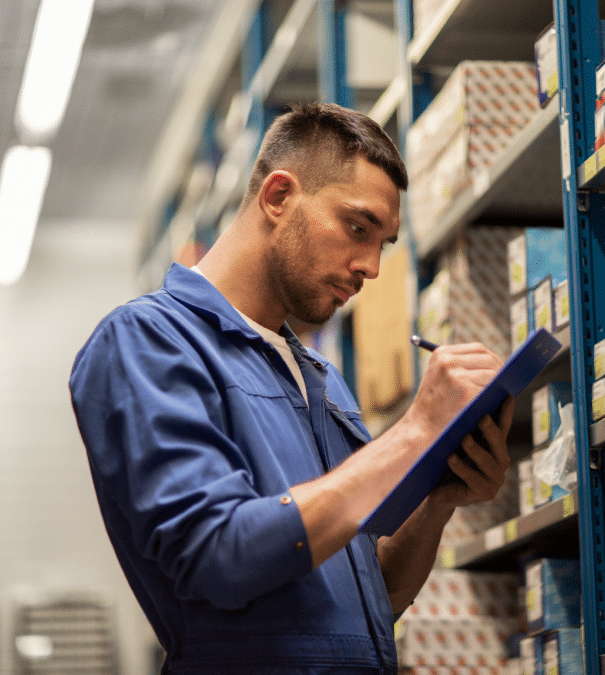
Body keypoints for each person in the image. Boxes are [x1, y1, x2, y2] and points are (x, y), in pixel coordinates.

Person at [69, 101, 514, 675]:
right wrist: (415, 433)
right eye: (358, 228)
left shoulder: (319, 378)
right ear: (278, 197)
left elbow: (371, 603)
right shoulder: (147, 342)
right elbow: (221, 555)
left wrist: (437, 502)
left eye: (385, 243)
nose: (372, 267)